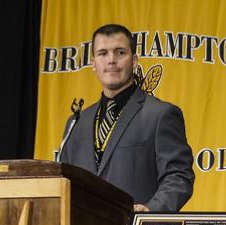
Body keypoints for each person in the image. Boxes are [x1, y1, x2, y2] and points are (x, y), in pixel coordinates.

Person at [60, 23, 194, 212]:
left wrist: (150, 211)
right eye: (103, 53)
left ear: (134, 60)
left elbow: (179, 176)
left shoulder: (160, 115)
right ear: (93, 63)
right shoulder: (76, 123)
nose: (111, 60)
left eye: (120, 52)